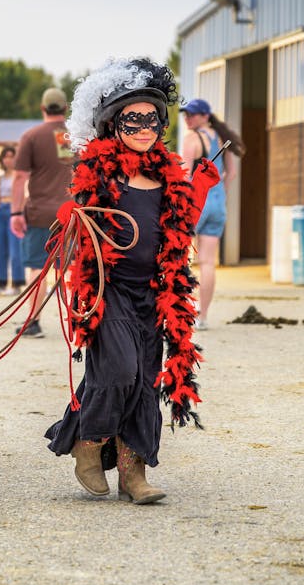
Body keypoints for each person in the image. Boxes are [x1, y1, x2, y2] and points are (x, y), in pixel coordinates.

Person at [44, 58, 219, 503]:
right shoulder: (100, 173)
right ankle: (88, 444)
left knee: (144, 381)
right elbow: (78, 226)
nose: (144, 127)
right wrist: (72, 216)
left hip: (155, 294)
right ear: (113, 125)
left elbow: (178, 232)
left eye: (152, 119)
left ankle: (133, 474)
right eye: (133, 119)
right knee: (117, 370)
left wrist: (197, 191)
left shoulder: (167, 176)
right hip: (110, 291)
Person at [10, 87, 74, 337]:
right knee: (71, 267)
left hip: (39, 214)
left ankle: (33, 322)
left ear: (43, 108)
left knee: (38, 267)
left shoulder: (31, 136)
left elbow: (19, 177)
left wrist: (16, 213)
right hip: (72, 214)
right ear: (65, 109)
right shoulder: (77, 136)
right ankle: (77, 321)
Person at [180, 99, 245, 329]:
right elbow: (231, 173)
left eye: (193, 115)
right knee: (207, 262)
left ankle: (180, 313)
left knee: (180, 258)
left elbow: (185, 176)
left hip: (197, 205)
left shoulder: (192, 139)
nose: (188, 119)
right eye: (186, 115)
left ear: (206, 116)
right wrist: (221, 195)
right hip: (217, 204)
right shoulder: (220, 139)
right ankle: (203, 317)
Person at [0, 145, 25, 295]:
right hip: (2, 211)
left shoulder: (19, 176)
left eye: (11, 156)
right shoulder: (0, 178)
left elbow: (23, 196)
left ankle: (17, 283)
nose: (8, 160)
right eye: (6, 156)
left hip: (14, 210)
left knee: (15, 248)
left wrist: (21, 213)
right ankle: (0, 283)